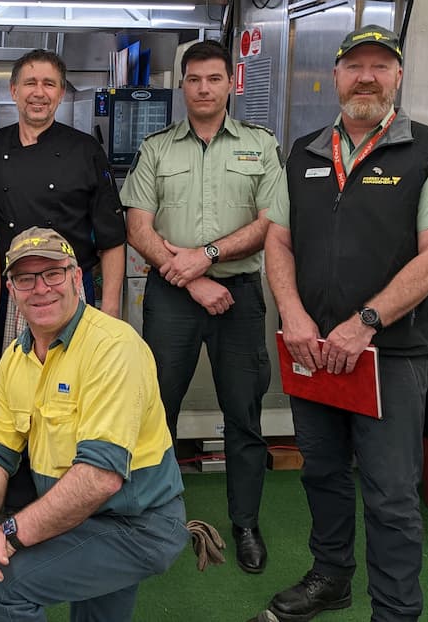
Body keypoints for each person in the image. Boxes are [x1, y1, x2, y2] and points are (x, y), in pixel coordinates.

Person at [262, 25, 428, 622]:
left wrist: (366, 322)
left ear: (398, 77)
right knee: (321, 473)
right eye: (356, 67)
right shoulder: (302, 151)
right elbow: (279, 240)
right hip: (311, 349)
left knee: (391, 495)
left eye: (381, 66)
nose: (367, 77)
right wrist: (294, 315)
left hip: (389, 356)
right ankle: (330, 578)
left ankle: (396, 611)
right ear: (335, 77)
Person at [0, 228, 189, 622]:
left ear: (77, 278)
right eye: (25, 278)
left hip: (137, 524)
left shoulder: (113, 347)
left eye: (53, 273)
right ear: (11, 289)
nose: (40, 288)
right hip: (81, 516)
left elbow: (100, 478)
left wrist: (6, 534)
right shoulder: (14, 359)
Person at [120, 39, 285, 574]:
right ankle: (158, 518)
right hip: (172, 298)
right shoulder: (158, 149)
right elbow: (138, 228)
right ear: (183, 86)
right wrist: (191, 278)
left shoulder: (260, 146)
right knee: (156, 412)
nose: (204, 88)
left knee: (244, 413)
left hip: (240, 296)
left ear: (230, 84)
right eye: (195, 79)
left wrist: (209, 255)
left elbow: (271, 223)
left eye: (215, 79)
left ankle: (245, 524)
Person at [0, 48, 127, 510]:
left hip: (70, 293)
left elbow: (113, 238)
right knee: (15, 397)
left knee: (73, 398)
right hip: (13, 295)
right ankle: (16, 499)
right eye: (31, 83)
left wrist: (111, 312)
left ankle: (70, 499)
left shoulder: (85, 150)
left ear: (61, 93)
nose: (39, 93)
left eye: (50, 84)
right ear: (13, 90)